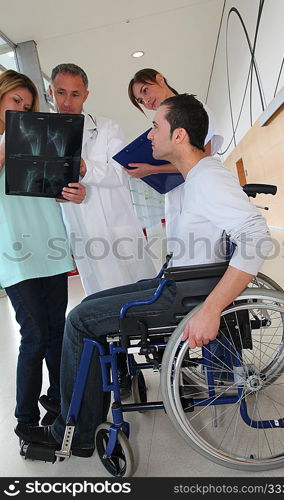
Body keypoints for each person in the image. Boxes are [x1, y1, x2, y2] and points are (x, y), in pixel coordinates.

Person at [14, 94, 273, 456]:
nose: (149, 136)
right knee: (89, 305)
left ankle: (72, 434)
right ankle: (83, 421)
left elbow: (257, 238)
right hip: (178, 283)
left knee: (80, 320)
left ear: (179, 135)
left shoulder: (209, 178)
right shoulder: (194, 176)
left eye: (155, 127)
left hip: (185, 295)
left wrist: (212, 309)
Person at [0, 70, 85, 431]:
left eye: (28, 105)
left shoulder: (37, 141)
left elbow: (52, 190)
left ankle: (58, 404)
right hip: (15, 253)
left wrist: (73, 188)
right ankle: (26, 421)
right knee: (33, 336)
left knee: (55, 334)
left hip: (49, 247)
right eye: (16, 101)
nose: (22, 108)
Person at [49, 64, 156, 297]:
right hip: (84, 236)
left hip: (118, 231)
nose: (67, 101)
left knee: (141, 299)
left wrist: (84, 165)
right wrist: (61, 196)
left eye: (75, 94)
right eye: (61, 92)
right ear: (50, 92)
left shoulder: (108, 128)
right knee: (101, 304)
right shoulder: (46, 137)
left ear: (85, 95)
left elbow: (119, 173)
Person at [127, 68, 224, 239]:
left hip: (199, 192)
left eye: (145, 90)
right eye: (141, 101)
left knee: (204, 248)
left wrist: (152, 169)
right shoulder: (162, 126)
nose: (147, 101)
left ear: (160, 79)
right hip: (175, 193)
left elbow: (201, 157)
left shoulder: (196, 111)